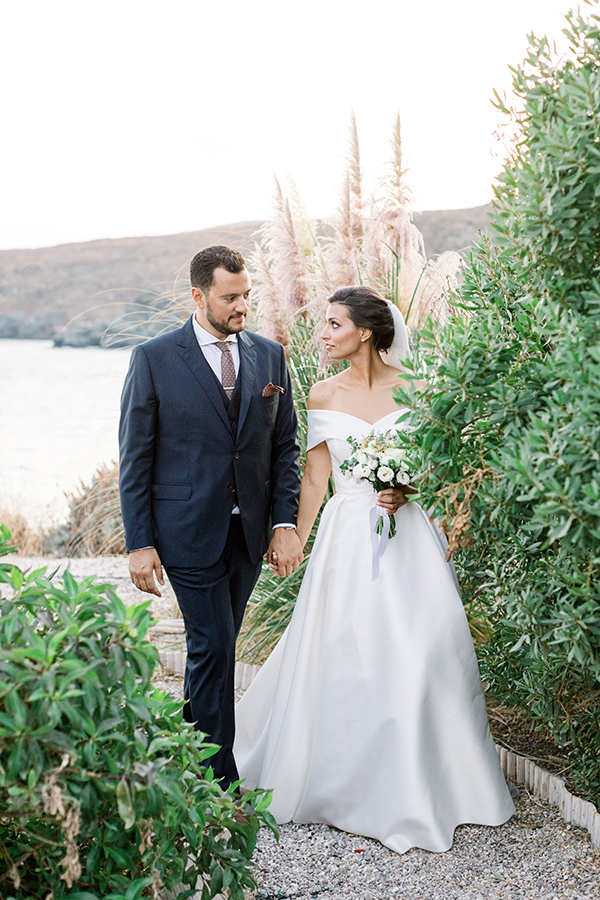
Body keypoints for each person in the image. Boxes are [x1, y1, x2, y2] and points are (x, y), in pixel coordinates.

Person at [234, 285, 515, 853]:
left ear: (365, 331)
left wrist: (408, 489)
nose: (324, 334)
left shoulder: (416, 388)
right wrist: (290, 537)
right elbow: (315, 478)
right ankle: (341, 781)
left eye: (334, 325)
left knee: (419, 650)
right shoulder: (319, 394)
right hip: (345, 538)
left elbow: (442, 466)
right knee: (344, 651)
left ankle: (421, 784)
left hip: (409, 537)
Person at [118, 245, 303, 788]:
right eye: (230, 297)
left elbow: (285, 447)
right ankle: (219, 782)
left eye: (247, 295)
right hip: (184, 531)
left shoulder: (270, 356)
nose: (242, 305)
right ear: (198, 296)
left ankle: (183, 758)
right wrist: (139, 541)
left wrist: (283, 522)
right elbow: (136, 455)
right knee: (214, 644)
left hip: (247, 534)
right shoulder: (153, 358)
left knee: (213, 650)